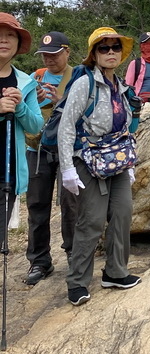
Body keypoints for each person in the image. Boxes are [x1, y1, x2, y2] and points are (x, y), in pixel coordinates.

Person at [58, 27, 141, 306]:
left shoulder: (121, 87)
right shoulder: (85, 84)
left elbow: (127, 127)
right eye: (103, 48)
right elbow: (67, 127)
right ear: (93, 54)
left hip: (116, 159)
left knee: (122, 213)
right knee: (92, 219)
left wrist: (130, 162)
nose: (110, 53)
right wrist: (67, 167)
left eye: (115, 48)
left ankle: (116, 272)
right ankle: (77, 282)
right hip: (87, 159)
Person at [25, 31, 79, 286]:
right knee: (36, 205)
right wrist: (30, 103)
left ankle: (73, 255)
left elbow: (86, 111)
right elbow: (23, 115)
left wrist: (61, 101)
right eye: (45, 54)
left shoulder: (79, 77)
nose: (49, 59)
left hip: (68, 149)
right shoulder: (34, 79)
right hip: (36, 150)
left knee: (71, 204)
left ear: (67, 52)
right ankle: (40, 261)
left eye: (55, 54)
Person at [0, 13, 44, 247]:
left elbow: (36, 126)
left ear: (18, 44)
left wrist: (20, 108)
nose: (3, 40)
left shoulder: (25, 82)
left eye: (10, 35)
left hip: (8, 174)